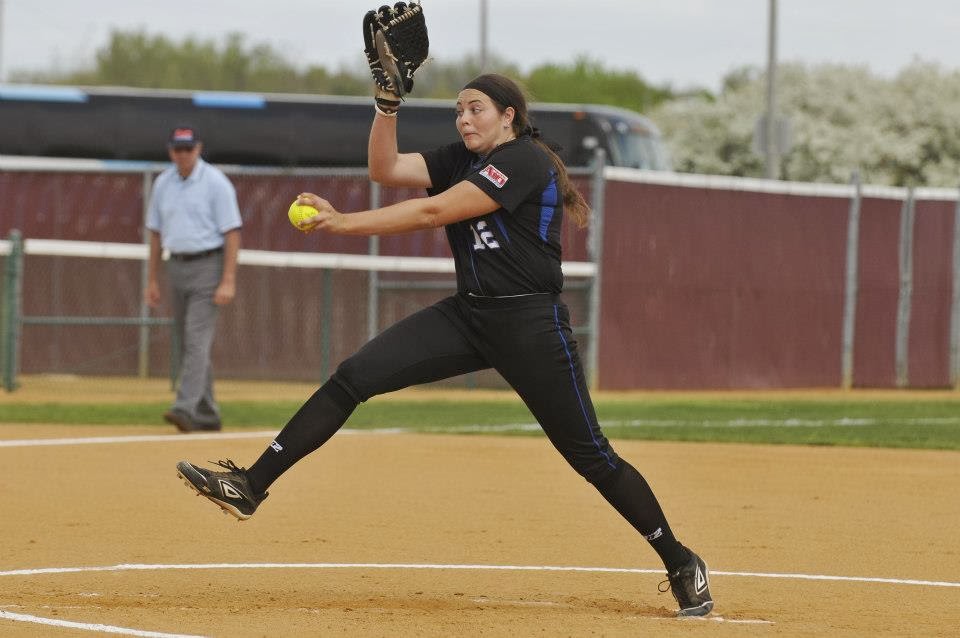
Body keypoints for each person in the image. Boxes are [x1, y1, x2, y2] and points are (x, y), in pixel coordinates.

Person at [175, 74, 713, 616]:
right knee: (353, 377)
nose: (464, 119)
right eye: (458, 111)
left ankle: (679, 559)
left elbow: (433, 212)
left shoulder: (525, 160)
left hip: (530, 323)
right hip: (469, 314)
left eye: (476, 109)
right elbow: (385, 170)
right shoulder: (460, 158)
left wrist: (343, 223)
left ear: (509, 116)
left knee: (591, 457)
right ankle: (250, 484)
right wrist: (387, 105)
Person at [145, 126, 242, 433]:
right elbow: (156, 233)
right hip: (176, 264)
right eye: (177, 149)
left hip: (208, 265)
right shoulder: (163, 183)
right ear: (170, 150)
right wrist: (152, 279)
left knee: (196, 339)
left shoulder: (215, 183)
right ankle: (209, 413)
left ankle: (184, 408)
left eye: (187, 148)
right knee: (187, 341)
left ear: (198, 149)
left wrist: (228, 279)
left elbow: (232, 233)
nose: (182, 154)